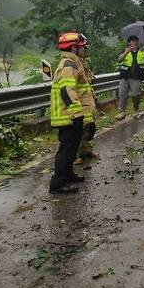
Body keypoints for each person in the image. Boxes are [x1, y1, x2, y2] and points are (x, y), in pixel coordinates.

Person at [49, 32, 89, 194]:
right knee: (66, 149)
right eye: (82, 47)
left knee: (71, 148)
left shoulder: (72, 63)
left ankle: (68, 174)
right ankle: (58, 183)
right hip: (70, 115)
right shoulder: (68, 65)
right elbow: (67, 91)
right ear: (73, 48)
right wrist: (77, 114)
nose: (85, 50)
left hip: (71, 114)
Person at [76, 34, 99, 164]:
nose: (86, 50)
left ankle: (87, 151)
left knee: (89, 128)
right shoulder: (73, 64)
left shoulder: (83, 62)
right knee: (79, 130)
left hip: (87, 100)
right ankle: (77, 155)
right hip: (79, 102)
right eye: (84, 48)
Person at [116, 35, 144, 120]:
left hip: (137, 77)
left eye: (136, 41)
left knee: (135, 95)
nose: (134, 43)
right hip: (124, 76)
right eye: (132, 41)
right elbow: (119, 59)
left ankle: (136, 110)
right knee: (122, 94)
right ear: (129, 43)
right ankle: (122, 112)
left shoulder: (142, 51)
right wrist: (126, 52)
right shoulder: (125, 50)